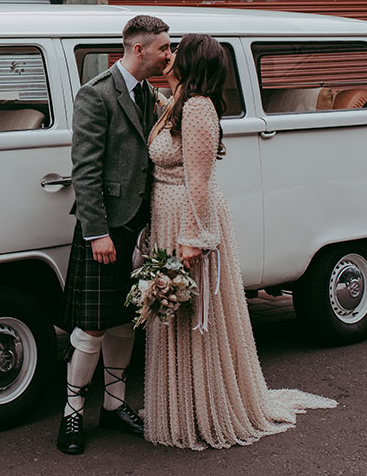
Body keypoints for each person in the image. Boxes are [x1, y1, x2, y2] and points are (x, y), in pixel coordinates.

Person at [143, 33, 336, 450]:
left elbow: (199, 180)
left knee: (194, 317)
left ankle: (206, 408)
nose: (169, 55)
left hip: (187, 219)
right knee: (178, 318)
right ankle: (187, 404)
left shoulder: (197, 108)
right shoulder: (178, 100)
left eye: (176, 50)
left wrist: (191, 239)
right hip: (168, 215)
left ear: (191, 61)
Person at [56, 14, 172, 455]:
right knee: (91, 328)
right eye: (163, 47)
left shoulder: (151, 95)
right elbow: (84, 170)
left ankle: (114, 406)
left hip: (143, 228)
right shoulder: (96, 93)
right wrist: (97, 232)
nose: (168, 54)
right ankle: (71, 415)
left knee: (127, 321)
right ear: (138, 49)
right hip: (106, 231)